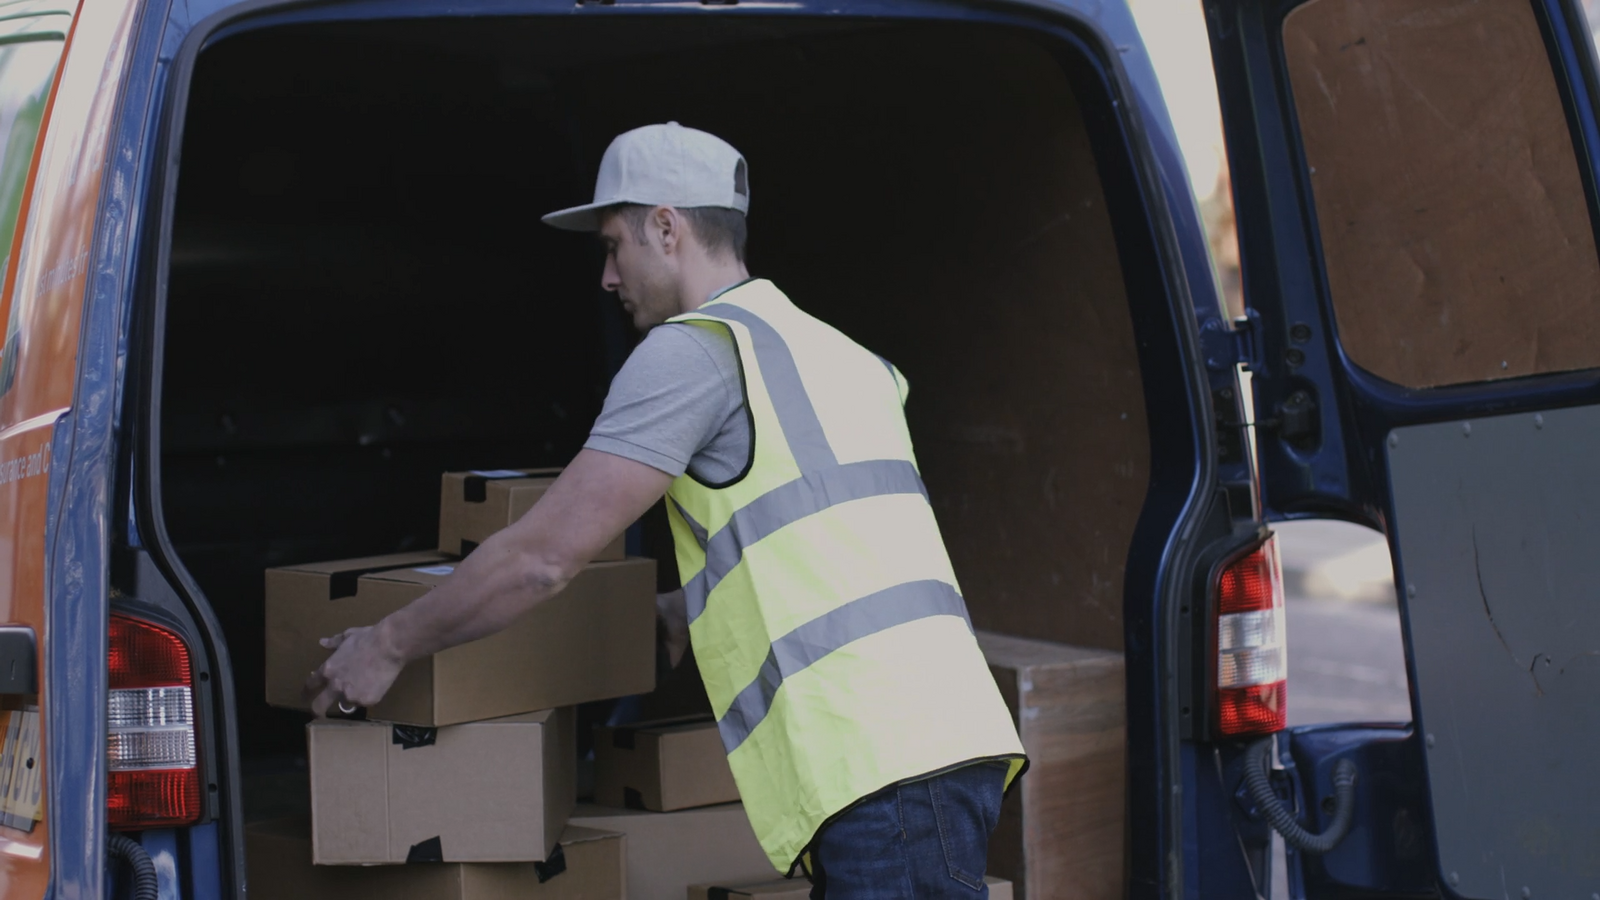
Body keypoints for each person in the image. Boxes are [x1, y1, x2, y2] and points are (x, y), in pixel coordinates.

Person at [305, 122, 1027, 899]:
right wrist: (690, 605)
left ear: (666, 226)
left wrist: (388, 643)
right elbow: (834, 535)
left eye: (614, 246)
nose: (607, 276)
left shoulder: (697, 351)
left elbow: (543, 557)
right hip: (935, 745)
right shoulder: (845, 356)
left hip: (877, 767)